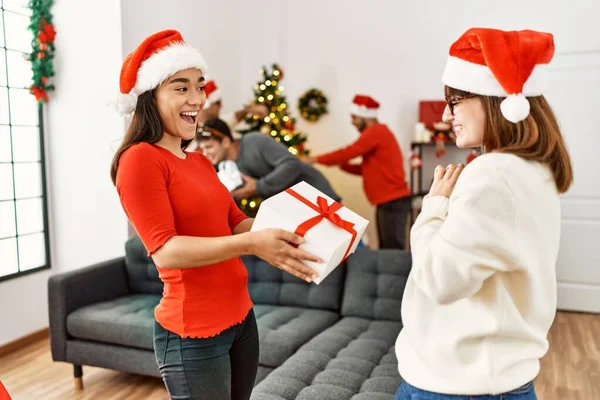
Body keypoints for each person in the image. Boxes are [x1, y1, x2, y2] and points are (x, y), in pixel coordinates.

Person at [110, 29, 320, 400]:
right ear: (149, 96)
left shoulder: (199, 161)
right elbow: (166, 250)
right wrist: (252, 243)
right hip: (193, 332)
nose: (197, 99)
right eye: (181, 87)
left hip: (241, 319)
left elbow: (237, 221)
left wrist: (301, 231)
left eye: (199, 86)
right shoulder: (140, 159)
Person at [393, 28, 573, 400]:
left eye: (454, 101)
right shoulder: (531, 169)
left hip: (460, 386)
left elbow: (438, 279)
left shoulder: (493, 174)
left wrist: (434, 206)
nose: (445, 114)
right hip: (481, 379)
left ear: (494, 101)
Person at [304, 95, 411, 250]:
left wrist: (314, 159)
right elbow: (367, 169)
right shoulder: (378, 133)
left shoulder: (376, 132)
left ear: (364, 116)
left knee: (392, 249)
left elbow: (348, 152)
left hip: (393, 201)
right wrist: (343, 166)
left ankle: (396, 275)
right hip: (389, 201)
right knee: (388, 247)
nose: (352, 121)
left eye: (354, 117)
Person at [197, 117, 342, 203]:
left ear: (226, 142)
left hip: (318, 197)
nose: (205, 153)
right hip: (297, 207)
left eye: (209, 147)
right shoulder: (228, 166)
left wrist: (259, 186)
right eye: (202, 149)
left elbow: (291, 163)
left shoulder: (254, 141)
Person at [186, 79, 268, 152]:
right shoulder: (187, 127)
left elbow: (234, 117)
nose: (221, 106)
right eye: (217, 103)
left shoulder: (218, 122)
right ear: (207, 105)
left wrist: (249, 110)